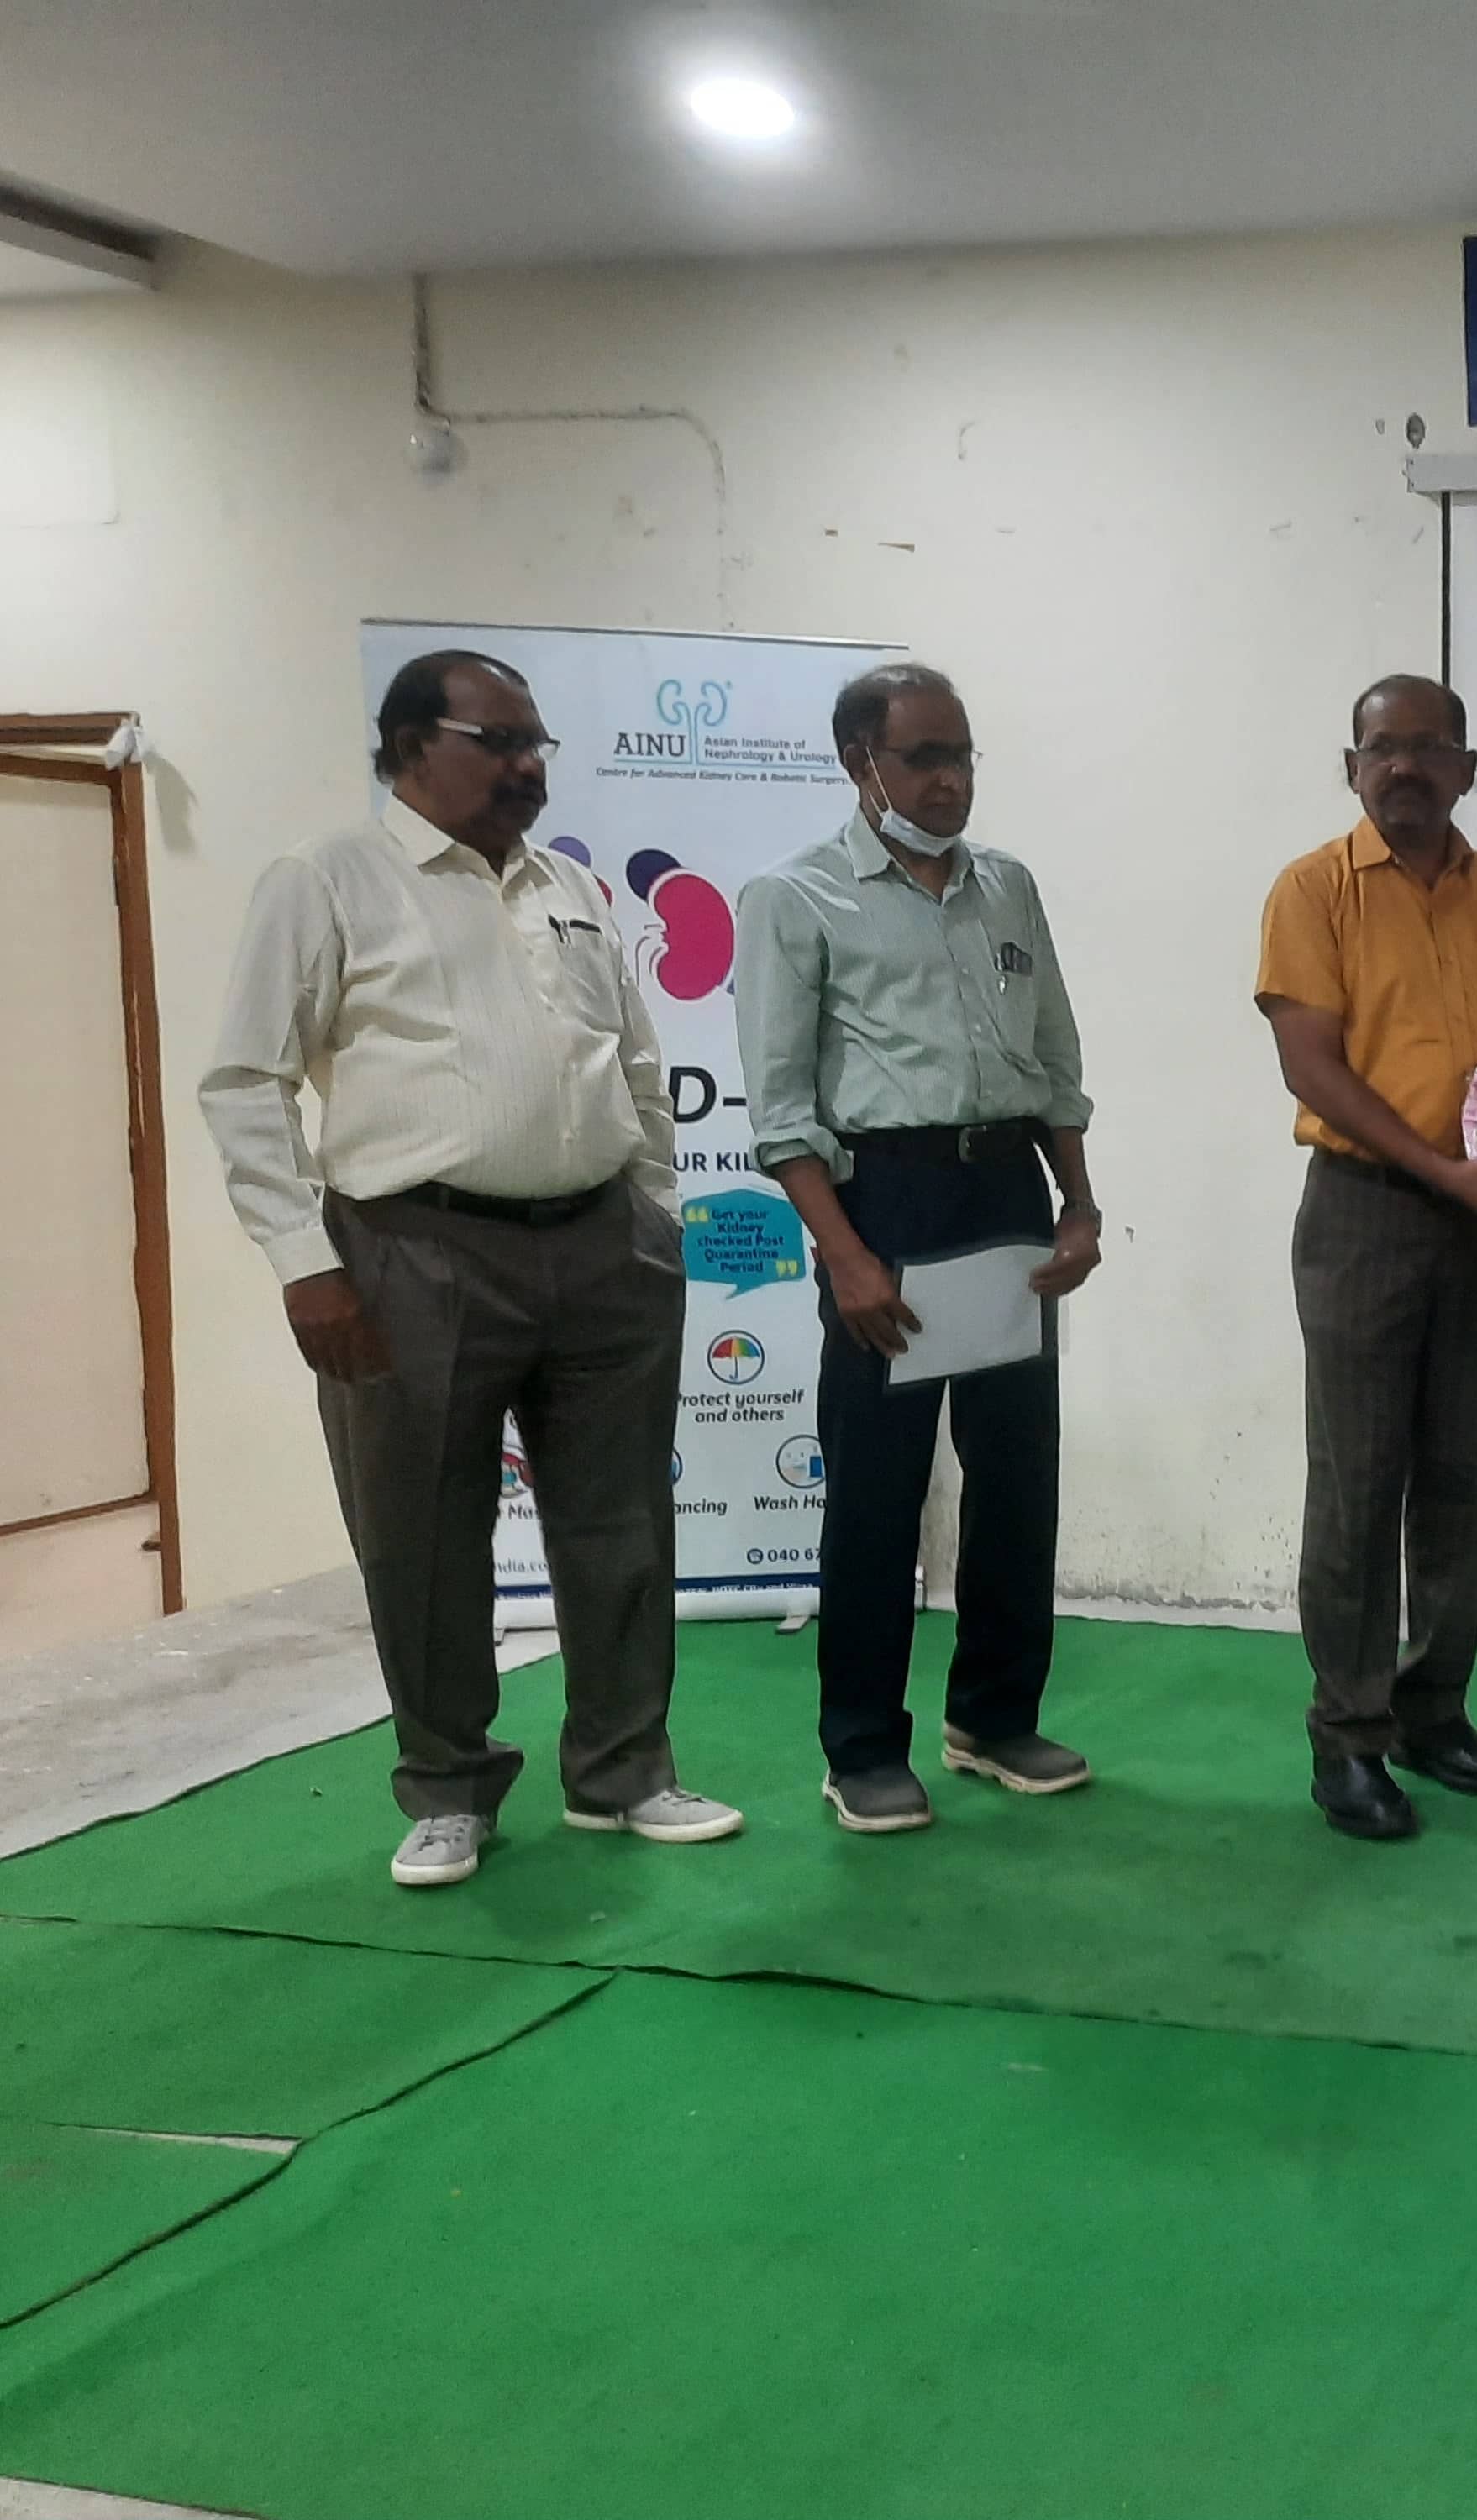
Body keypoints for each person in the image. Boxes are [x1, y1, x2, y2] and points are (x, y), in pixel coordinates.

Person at [199, 650, 740, 1888]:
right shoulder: (326, 880)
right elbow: (245, 1082)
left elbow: (635, 1063)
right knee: (423, 1533)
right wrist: (304, 1262)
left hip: (602, 1247)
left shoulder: (570, 887)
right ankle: (449, 1789)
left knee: (621, 1525)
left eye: (538, 742)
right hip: (414, 1250)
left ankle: (623, 1772)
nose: (529, 764)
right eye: (499, 740)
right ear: (409, 748)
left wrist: (653, 1213)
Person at [734, 662, 1100, 1835]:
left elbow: (1055, 1060)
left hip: (1006, 1192)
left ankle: (993, 1717)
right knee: (878, 1493)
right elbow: (781, 1108)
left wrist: (1079, 1203)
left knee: (1018, 1475)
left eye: (963, 756)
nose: (950, 781)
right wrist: (844, 1255)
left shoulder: (1009, 887)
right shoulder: (793, 898)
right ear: (861, 763)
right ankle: (861, 1749)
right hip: (882, 1202)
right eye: (923, 758)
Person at [1254, 675, 1477, 1840]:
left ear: (1466, 769)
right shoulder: (1312, 891)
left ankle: (1434, 1710)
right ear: (1351, 768)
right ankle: (1349, 1737)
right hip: (1366, 1214)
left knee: (1462, 1479)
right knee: (1358, 1485)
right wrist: (1444, 1171)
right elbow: (1313, 1067)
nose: (1405, 766)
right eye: (1382, 747)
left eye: (1430, 747)